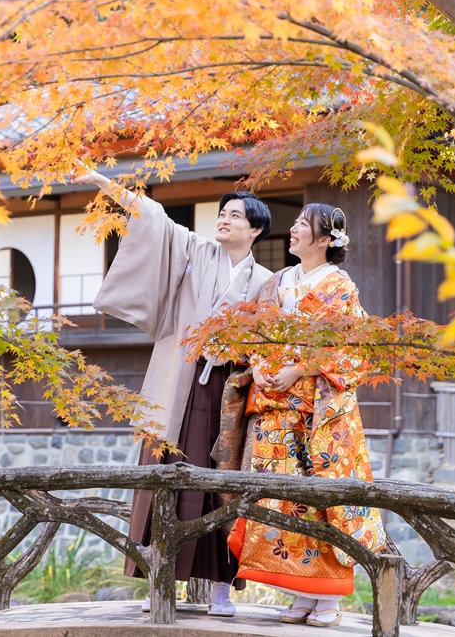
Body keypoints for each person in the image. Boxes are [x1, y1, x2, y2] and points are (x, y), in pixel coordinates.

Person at [76, 168, 273, 616]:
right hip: (179, 381)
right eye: (222, 213)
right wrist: (99, 179)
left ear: (256, 229)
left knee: (222, 482)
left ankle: (221, 589)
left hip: (229, 391)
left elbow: (269, 342)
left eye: (235, 215)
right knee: (166, 474)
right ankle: (160, 581)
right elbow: (153, 216)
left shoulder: (266, 281)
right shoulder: (196, 250)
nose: (223, 219)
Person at [226, 203, 386, 628]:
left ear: (325, 240)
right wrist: (260, 366)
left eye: (303, 224)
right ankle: (300, 592)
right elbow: (256, 333)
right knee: (282, 499)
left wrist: (300, 369)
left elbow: (353, 347)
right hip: (276, 406)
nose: (294, 229)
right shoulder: (278, 282)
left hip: (317, 411)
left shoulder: (339, 286)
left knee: (319, 500)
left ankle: (328, 597)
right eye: (296, 222)